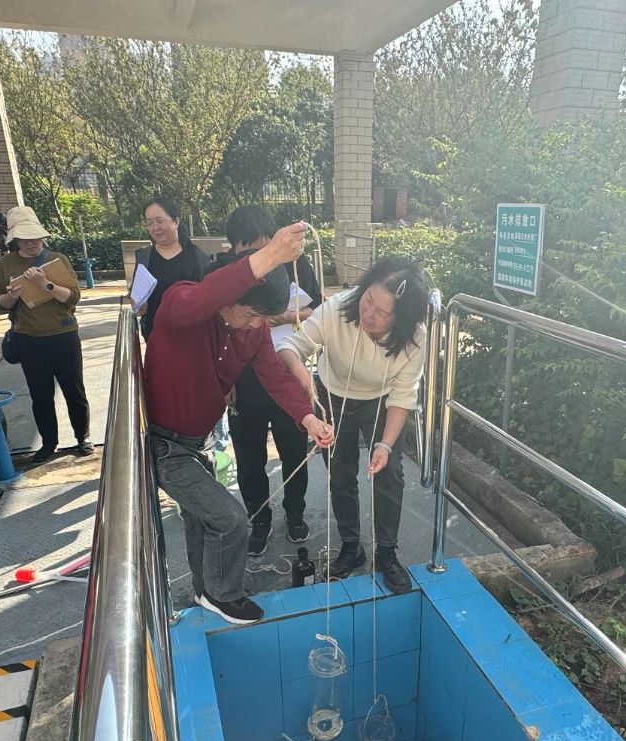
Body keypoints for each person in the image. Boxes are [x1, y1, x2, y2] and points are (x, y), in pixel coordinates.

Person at [144, 222, 334, 625]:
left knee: (202, 520)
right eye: (249, 315)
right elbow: (204, 296)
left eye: (261, 319)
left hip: (198, 442)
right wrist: (271, 255)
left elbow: (276, 376)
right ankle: (224, 595)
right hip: (164, 444)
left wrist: (309, 418)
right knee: (230, 520)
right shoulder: (182, 304)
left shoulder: (254, 331)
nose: (254, 325)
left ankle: (205, 589)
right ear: (230, 298)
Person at [276, 257, 430, 595]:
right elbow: (289, 345)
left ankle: (386, 552)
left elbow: (403, 397)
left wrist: (385, 445)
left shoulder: (415, 339)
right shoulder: (337, 309)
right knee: (340, 472)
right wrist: (303, 376)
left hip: (381, 401)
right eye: (368, 299)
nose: (369, 313)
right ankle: (350, 545)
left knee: (389, 472)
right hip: (332, 396)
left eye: (382, 312)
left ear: (401, 319)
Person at [207, 206, 323, 556]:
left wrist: (279, 316)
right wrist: (223, 382)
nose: (258, 257)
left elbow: (317, 309)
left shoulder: (294, 264)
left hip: (286, 369)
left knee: (293, 452)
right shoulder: (219, 273)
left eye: (264, 246)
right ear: (234, 246)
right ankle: (259, 519)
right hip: (241, 380)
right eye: (248, 249)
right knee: (249, 459)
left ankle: (295, 512)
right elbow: (211, 332)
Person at [0, 206, 92, 464]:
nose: (31, 243)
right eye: (25, 239)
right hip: (29, 339)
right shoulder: (6, 264)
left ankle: (82, 436)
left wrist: (44, 285)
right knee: (40, 395)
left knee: (74, 390)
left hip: (63, 335)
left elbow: (73, 297)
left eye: (35, 237)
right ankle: (49, 443)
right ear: (15, 240)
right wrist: (12, 296)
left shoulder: (57, 259)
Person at [134, 197, 210, 340]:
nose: (155, 228)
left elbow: (208, 300)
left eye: (160, 221)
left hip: (192, 338)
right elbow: (137, 299)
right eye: (150, 223)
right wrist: (139, 306)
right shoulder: (144, 257)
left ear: (176, 222)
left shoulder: (199, 257)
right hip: (155, 337)